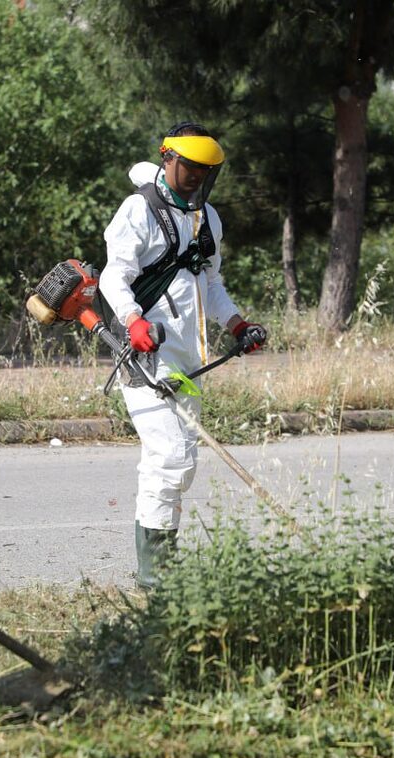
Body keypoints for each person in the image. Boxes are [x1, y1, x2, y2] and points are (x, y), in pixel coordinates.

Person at [98, 122, 266, 589]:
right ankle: (154, 577)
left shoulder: (207, 218)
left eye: (206, 172)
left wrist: (237, 324)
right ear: (167, 158)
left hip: (190, 361)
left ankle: (164, 567)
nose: (197, 178)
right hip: (144, 355)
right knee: (169, 457)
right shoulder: (139, 210)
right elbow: (114, 278)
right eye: (190, 167)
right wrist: (133, 321)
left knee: (181, 463)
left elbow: (210, 284)